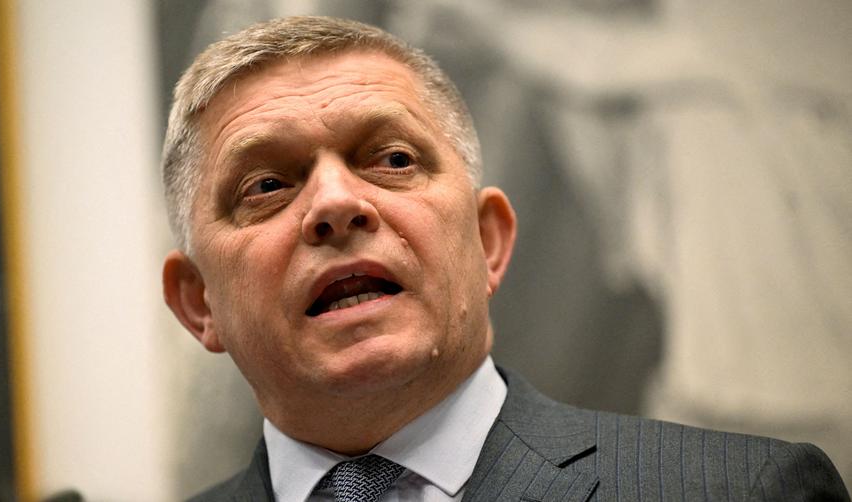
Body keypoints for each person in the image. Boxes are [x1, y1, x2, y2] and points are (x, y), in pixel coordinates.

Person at [160, 16, 849, 502]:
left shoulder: (744, 493)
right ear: (198, 303)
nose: (336, 203)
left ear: (489, 241)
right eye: (267, 186)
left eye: (393, 159)